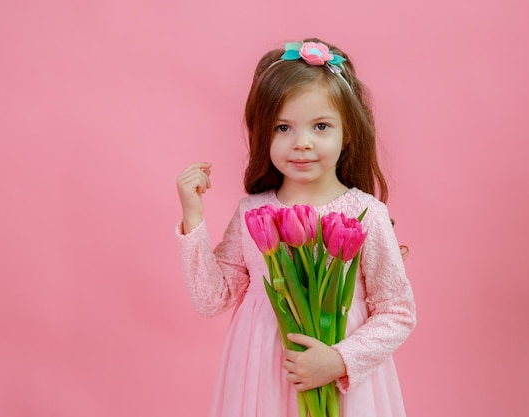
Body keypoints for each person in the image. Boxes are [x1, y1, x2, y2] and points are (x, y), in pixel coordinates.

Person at [175, 38, 416, 417]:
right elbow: (213, 299)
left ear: (347, 133)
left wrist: (339, 360)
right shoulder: (253, 213)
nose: (302, 143)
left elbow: (397, 311)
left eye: (321, 126)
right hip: (262, 382)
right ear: (263, 134)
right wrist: (193, 217)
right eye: (283, 127)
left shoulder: (365, 213)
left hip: (341, 384)